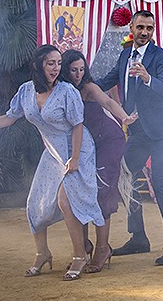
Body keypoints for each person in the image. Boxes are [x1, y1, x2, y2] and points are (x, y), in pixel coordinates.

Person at [0, 45, 103, 281]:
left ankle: (80, 256)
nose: (56, 68)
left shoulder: (67, 91)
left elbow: (77, 126)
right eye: (50, 64)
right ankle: (42, 252)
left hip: (78, 148)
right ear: (38, 65)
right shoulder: (25, 91)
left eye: (58, 63)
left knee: (67, 200)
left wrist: (75, 159)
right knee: (35, 202)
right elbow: (9, 118)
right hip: (52, 151)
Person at [97, 11, 163, 265]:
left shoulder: (160, 56)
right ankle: (139, 238)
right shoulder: (125, 55)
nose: (145, 32)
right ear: (132, 28)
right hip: (138, 131)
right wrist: (80, 86)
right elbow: (107, 80)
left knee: (159, 181)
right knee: (124, 176)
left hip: (161, 130)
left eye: (150, 28)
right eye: (141, 27)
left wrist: (148, 78)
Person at [58, 51, 135, 272]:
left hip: (108, 142)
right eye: (73, 70)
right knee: (78, 192)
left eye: (82, 69)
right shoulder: (61, 90)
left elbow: (109, 103)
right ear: (65, 69)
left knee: (101, 191)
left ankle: (103, 248)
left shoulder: (89, 87)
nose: (78, 74)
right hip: (82, 147)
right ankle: (83, 246)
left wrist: (125, 118)